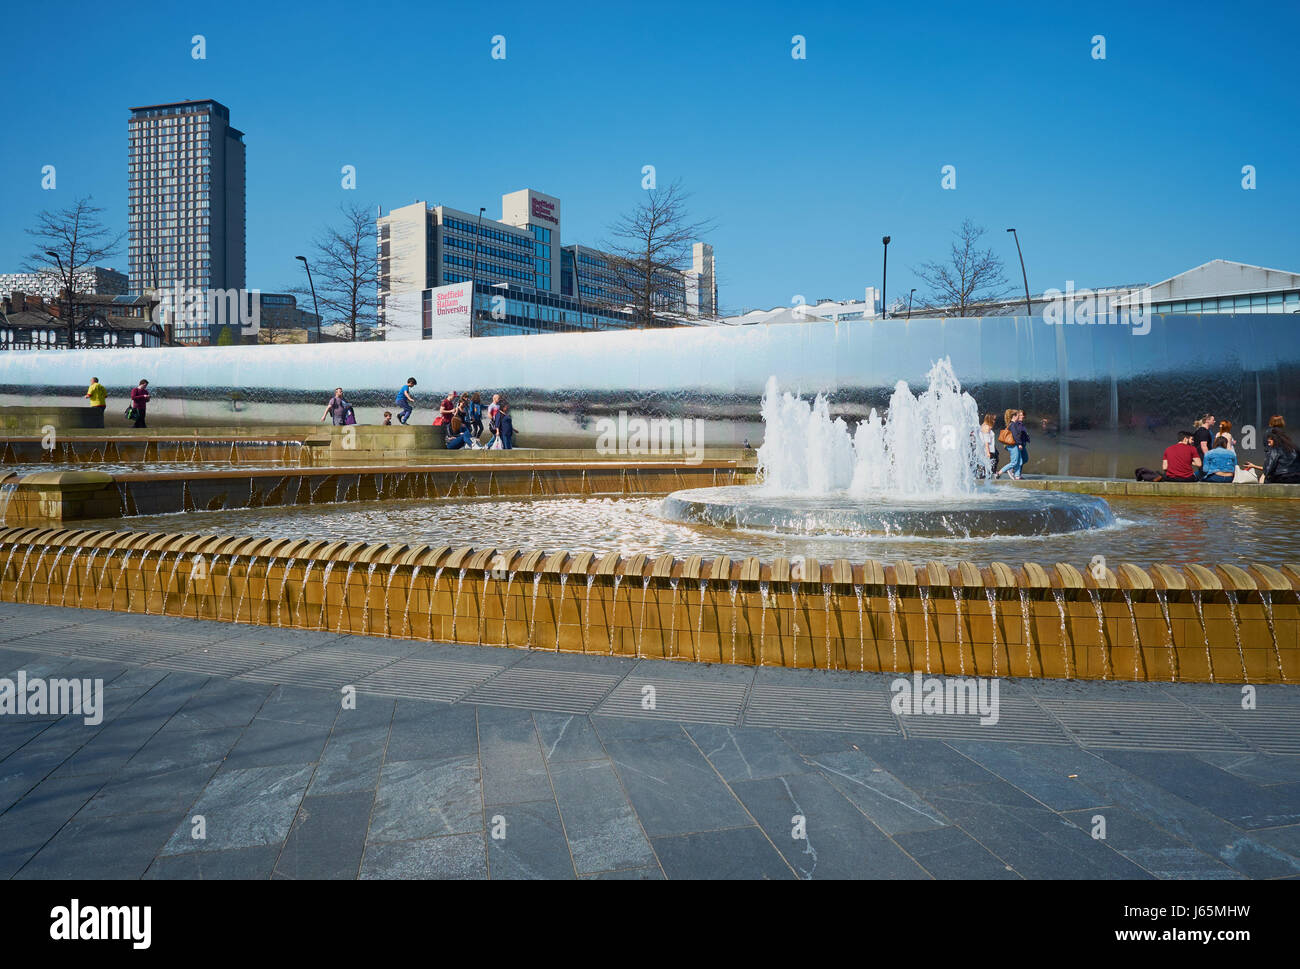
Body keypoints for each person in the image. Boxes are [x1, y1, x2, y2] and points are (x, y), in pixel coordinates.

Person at [996, 407, 1021, 479]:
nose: (1018, 417)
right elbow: (1015, 435)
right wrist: (1019, 443)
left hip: (1013, 445)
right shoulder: (1013, 425)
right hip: (1013, 445)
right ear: (1014, 416)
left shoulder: (1012, 424)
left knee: (1018, 461)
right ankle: (999, 473)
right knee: (1014, 462)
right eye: (1017, 416)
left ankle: (1017, 476)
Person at [979, 413, 998, 479]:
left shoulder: (983, 426)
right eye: (993, 419)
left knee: (986, 465)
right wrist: (988, 452)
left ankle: (985, 477)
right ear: (990, 419)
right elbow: (986, 441)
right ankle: (987, 478)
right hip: (989, 449)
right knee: (991, 464)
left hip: (987, 449)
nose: (994, 421)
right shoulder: (987, 427)